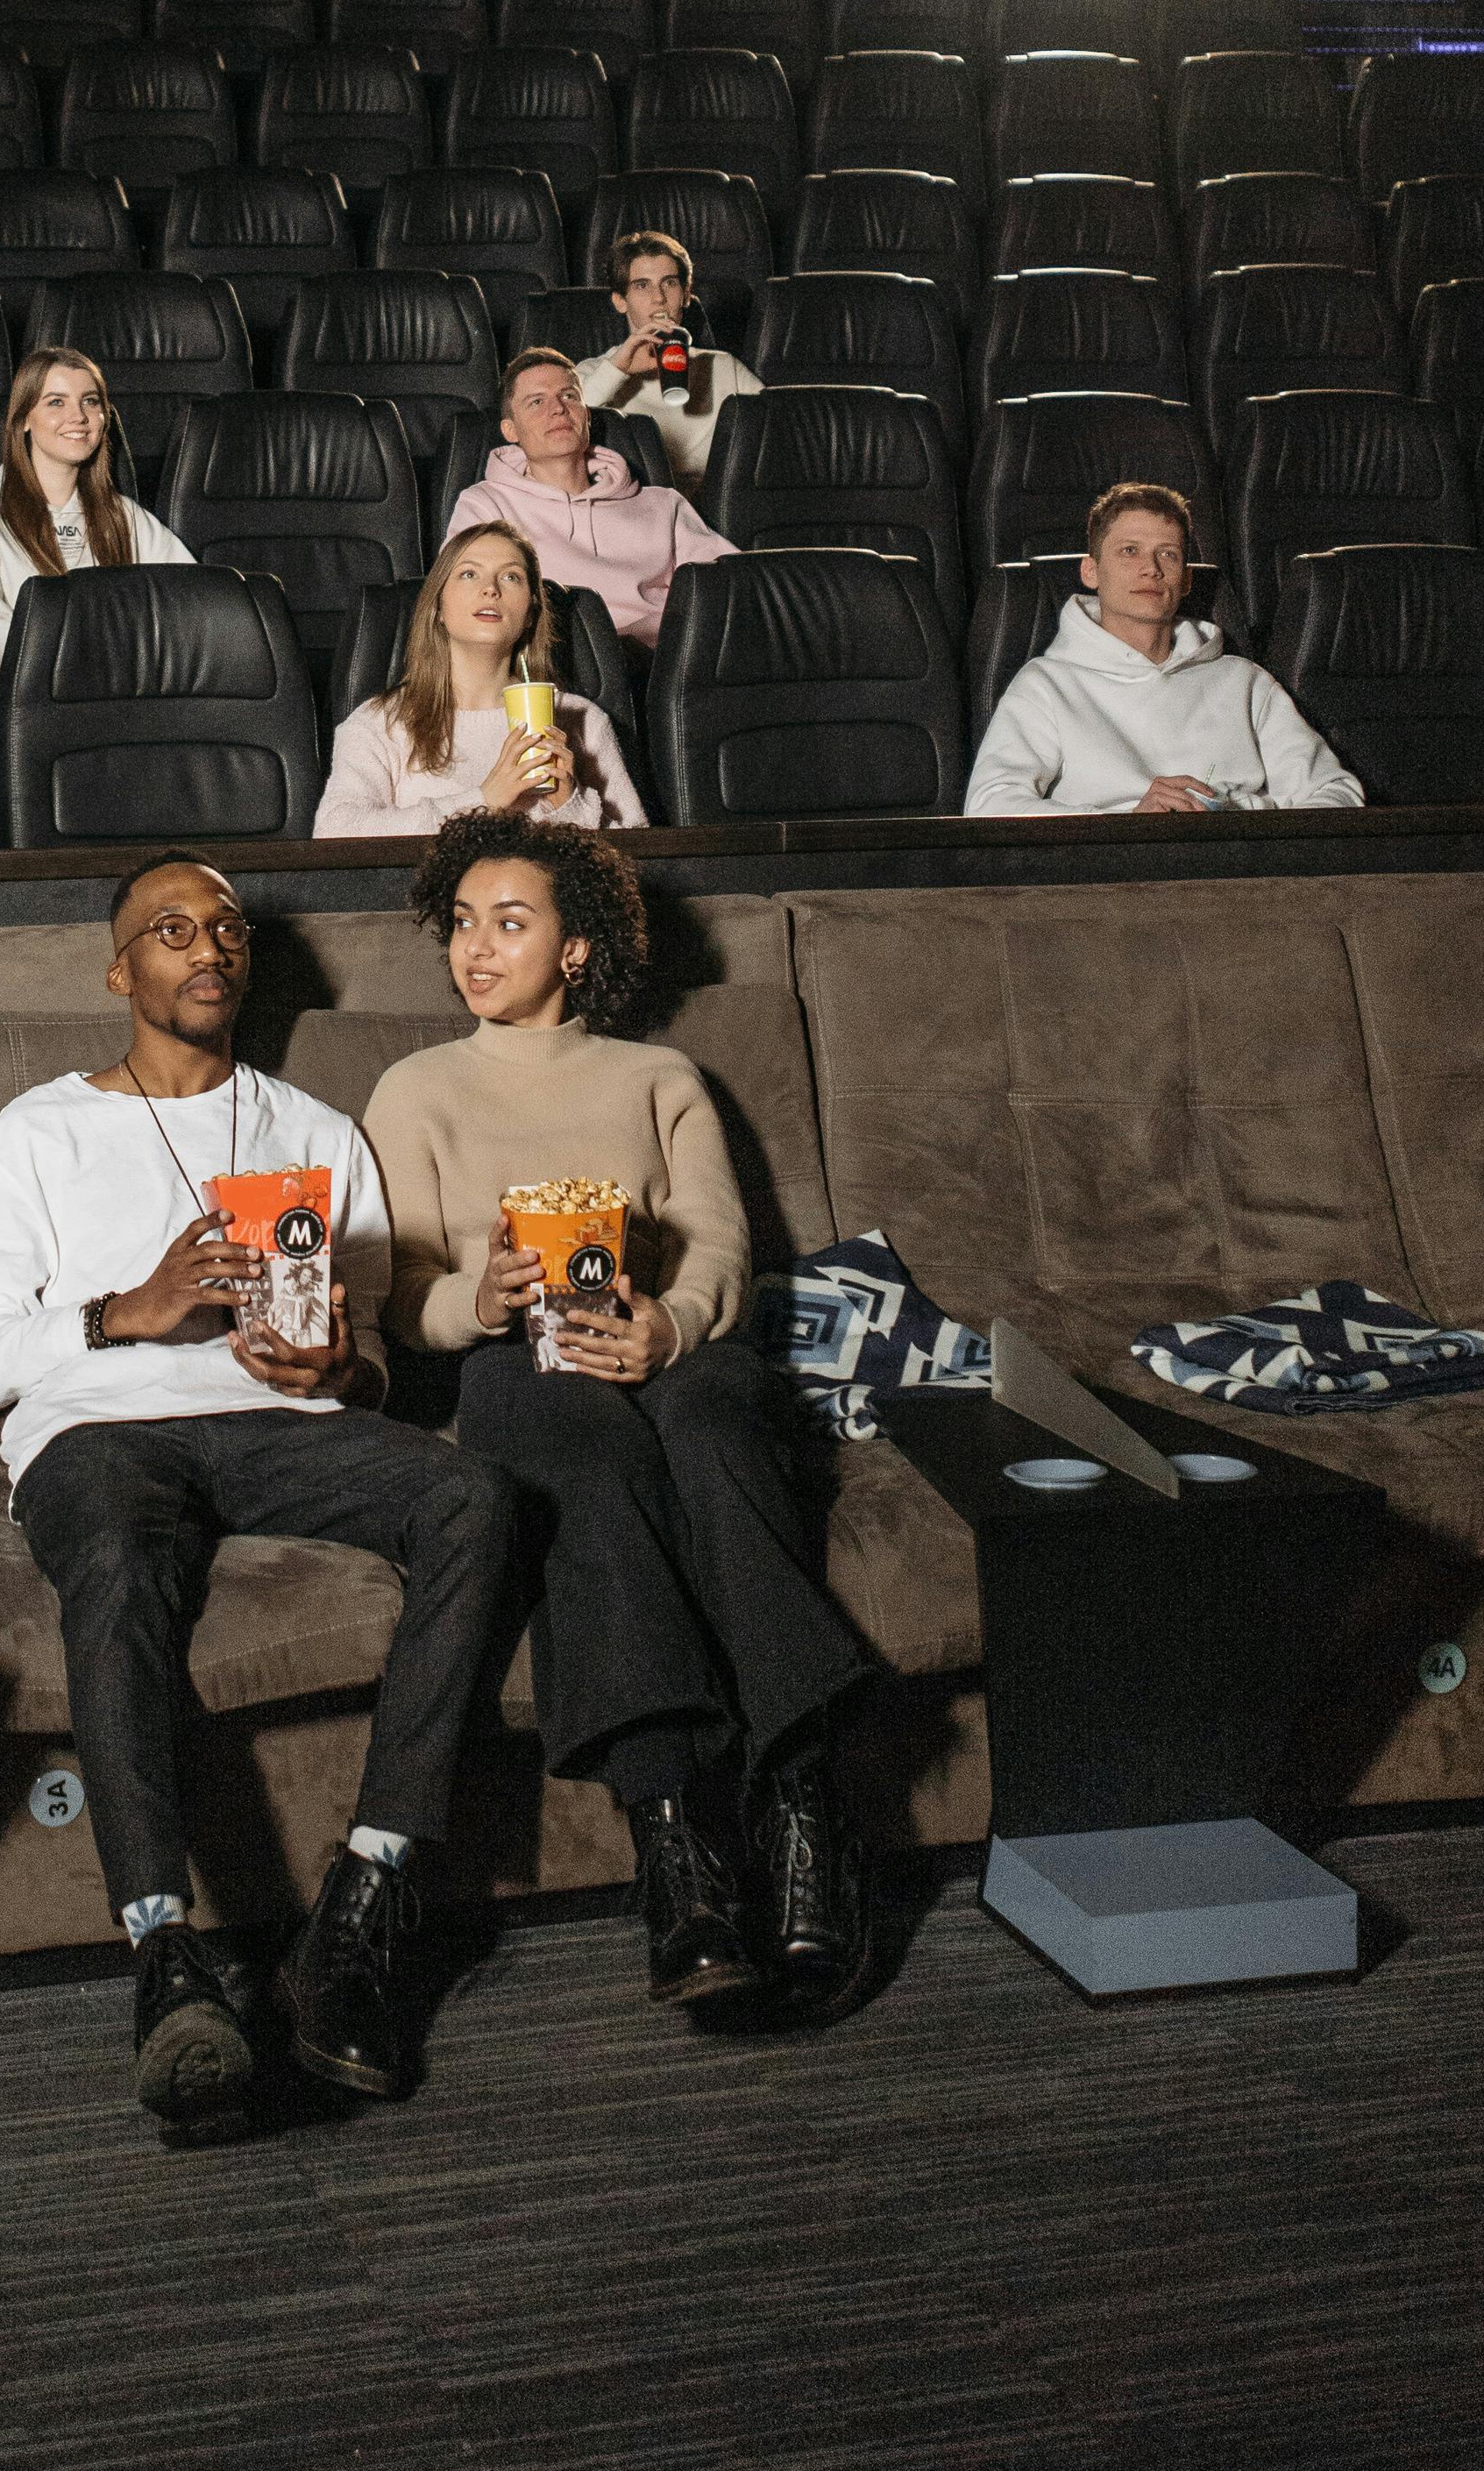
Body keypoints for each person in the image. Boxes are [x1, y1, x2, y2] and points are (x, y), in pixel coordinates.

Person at [0, 850, 515, 2134]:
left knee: (473, 1499)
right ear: (120, 969)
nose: (209, 950)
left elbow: (368, 1354)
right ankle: (163, 1950)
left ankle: (364, 1899)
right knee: (122, 1569)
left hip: (278, 1424)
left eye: (228, 932)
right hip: (99, 1434)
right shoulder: (35, 1135)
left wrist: (341, 1368)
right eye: (172, 931)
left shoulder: (315, 1133)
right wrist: (124, 1313)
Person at [365, 812, 872, 2020]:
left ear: (579, 949)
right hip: (516, 1362)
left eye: (510, 922)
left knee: (710, 1427)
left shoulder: (660, 1078)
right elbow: (395, 1296)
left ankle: (802, 1815)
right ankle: (675, 1850)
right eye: (462, 926)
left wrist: (674, 1328)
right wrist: (471, 1300)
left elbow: (719, 1245)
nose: (476, 949)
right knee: (583, 1458)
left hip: (666, 1341)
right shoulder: (415, 1089)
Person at [963, 481, 1367, 816]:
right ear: (1091, 571)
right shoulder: (1046, 685)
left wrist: (1235, 816)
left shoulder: (1243, 680)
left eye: (1168, 554)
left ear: (1186, 579)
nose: (1150, 569)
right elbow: (989, 806)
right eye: (1129, 551)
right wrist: (1130, 822)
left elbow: (1337, 792)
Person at [315, 522, 648, 836]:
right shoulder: (380, 721)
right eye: (469, 574)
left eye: (511, 577)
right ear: (438, 609)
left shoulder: (583, 720)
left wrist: (570, 805)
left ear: (531, 613)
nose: (490, 589)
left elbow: (645, 858)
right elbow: (334, 832)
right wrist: (483, 800)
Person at [442, 345, 734, 647]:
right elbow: (464, 600)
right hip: (560, 658)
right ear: (511, 430)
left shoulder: (664, 504)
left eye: (569, 396)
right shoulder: (486, 505)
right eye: (536, 402)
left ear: (587, 416)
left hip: (671, 659)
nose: (558, 409)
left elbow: (733, 587)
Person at [0, 346, 192, 678]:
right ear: (25, 418)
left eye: (91, 401)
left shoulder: (124, 516)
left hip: (126, 692)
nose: (79, 416)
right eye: (57, 402)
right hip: (33, 701)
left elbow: (189, 598)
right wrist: (82, 650)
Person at [574, 231, 761, 494]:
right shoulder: (594, 372)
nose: (659, 297)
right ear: (620, 301)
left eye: (669, 283)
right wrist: (619, 369)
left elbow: (776, 428)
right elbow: (567, 429)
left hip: (722, 504)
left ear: (686, 295)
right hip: (637, 508)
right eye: (642, 285)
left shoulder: (723, 366)